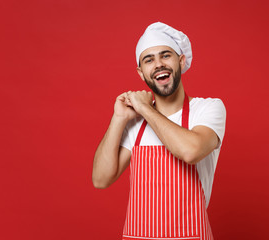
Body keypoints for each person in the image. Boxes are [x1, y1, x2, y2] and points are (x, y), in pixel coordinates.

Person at [92, 22, 226, 240]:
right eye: (149, 59)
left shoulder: (208, 108)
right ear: (141, 73)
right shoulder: (134, 123)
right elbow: (100, 179)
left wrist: (145, 108)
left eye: (166, 55)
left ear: (181, 61)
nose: (158, 64)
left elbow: (190, 151)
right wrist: (118, 118)